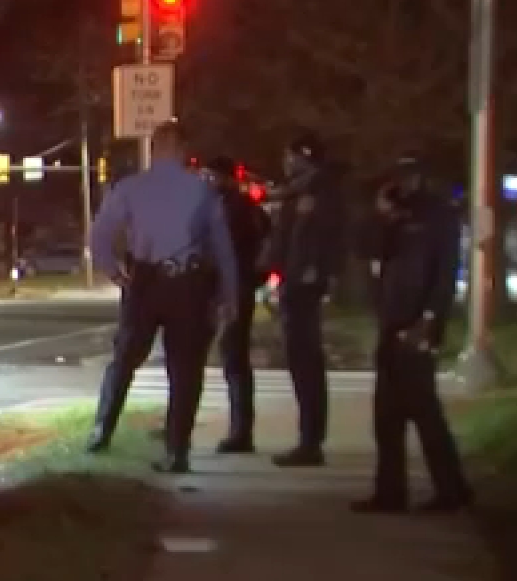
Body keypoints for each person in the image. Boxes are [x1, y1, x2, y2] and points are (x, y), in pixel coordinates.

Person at [85, 119, 240, 473]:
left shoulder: (130, 188)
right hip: (188, 284)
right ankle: (176, 449)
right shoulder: (202, 191)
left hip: (145, 282)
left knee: (125, 359)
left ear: (154, 149)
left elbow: (100, 233)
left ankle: (101, 429)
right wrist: (229, 293)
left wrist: (112, 269)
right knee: (185, 370)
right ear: (182, 150)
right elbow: (221, 246)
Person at [355, 156, 472, 513]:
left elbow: (444, 273)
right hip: (391, 322)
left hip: (418, 323)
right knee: (387, 415)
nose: (404, 183)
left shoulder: (437, 216)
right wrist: (383, 215)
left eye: (409, 176)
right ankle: (390, 491)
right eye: (399, 176)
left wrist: (430, 319)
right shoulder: (395, 216)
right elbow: (368, 249)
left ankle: (452, 489)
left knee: (423, 410)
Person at [263, 133, 346, 467]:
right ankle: (309, 438)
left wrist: (310, 272)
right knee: (302, 363)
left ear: (303, 157)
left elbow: (320, 240)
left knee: (306, 362)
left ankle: (311, 441)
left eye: (289, 156)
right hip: (296, 283)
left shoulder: (316, 192)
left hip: (303, 287)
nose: (285, 163)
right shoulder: (301, 192)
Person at [201, 157, 271, 453]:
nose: (205, 181)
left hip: (228, 290)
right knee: (233, 358)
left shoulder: (228, 208)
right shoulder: (243, 207)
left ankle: (241, 432)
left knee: (233, 359)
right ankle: (240, 429)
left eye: (209, 176)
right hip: (236, 288)